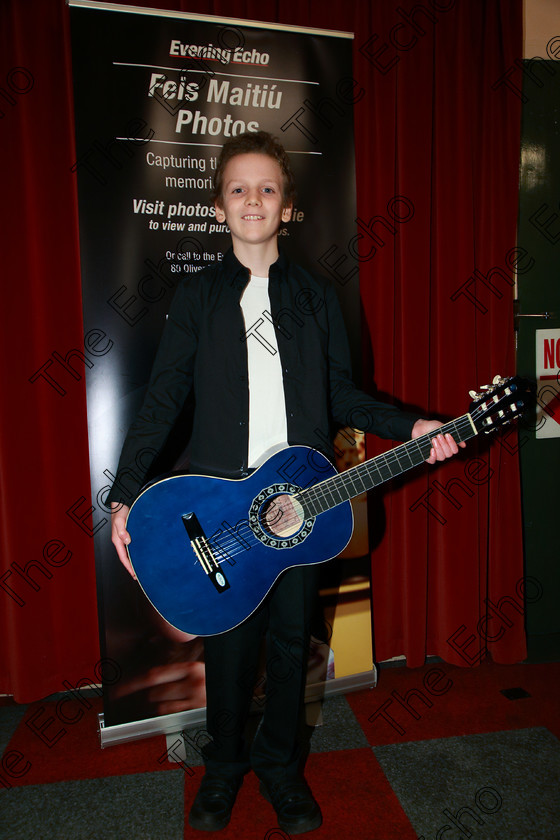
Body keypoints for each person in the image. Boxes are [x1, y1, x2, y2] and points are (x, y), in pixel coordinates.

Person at [109, 131, 463, 834]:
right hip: (217, 508)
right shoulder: (200, 297)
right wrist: (123, 492)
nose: (253, 200)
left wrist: (414, 426)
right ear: (217, 208)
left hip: (300, 506)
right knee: (231, 653)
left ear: (288, 207)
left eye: (267, 187)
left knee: (289, 643)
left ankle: (279, 770)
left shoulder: (316, 297)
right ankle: (224, 770)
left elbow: (342, 395)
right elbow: (162, 400)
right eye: (238, 188)